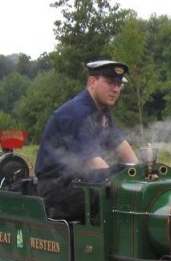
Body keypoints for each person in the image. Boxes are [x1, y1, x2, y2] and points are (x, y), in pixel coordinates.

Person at [35, 60, 138, 219]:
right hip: (58, 186)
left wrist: (140, 173)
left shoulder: (101, 110)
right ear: (92, 81)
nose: (116, 89)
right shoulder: (76, 113)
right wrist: (126, 189)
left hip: (79, 179)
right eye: (110, 82)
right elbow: (93, 161)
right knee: (114, 197)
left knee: (122, 171)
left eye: (119, 84)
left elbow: (120, 144)